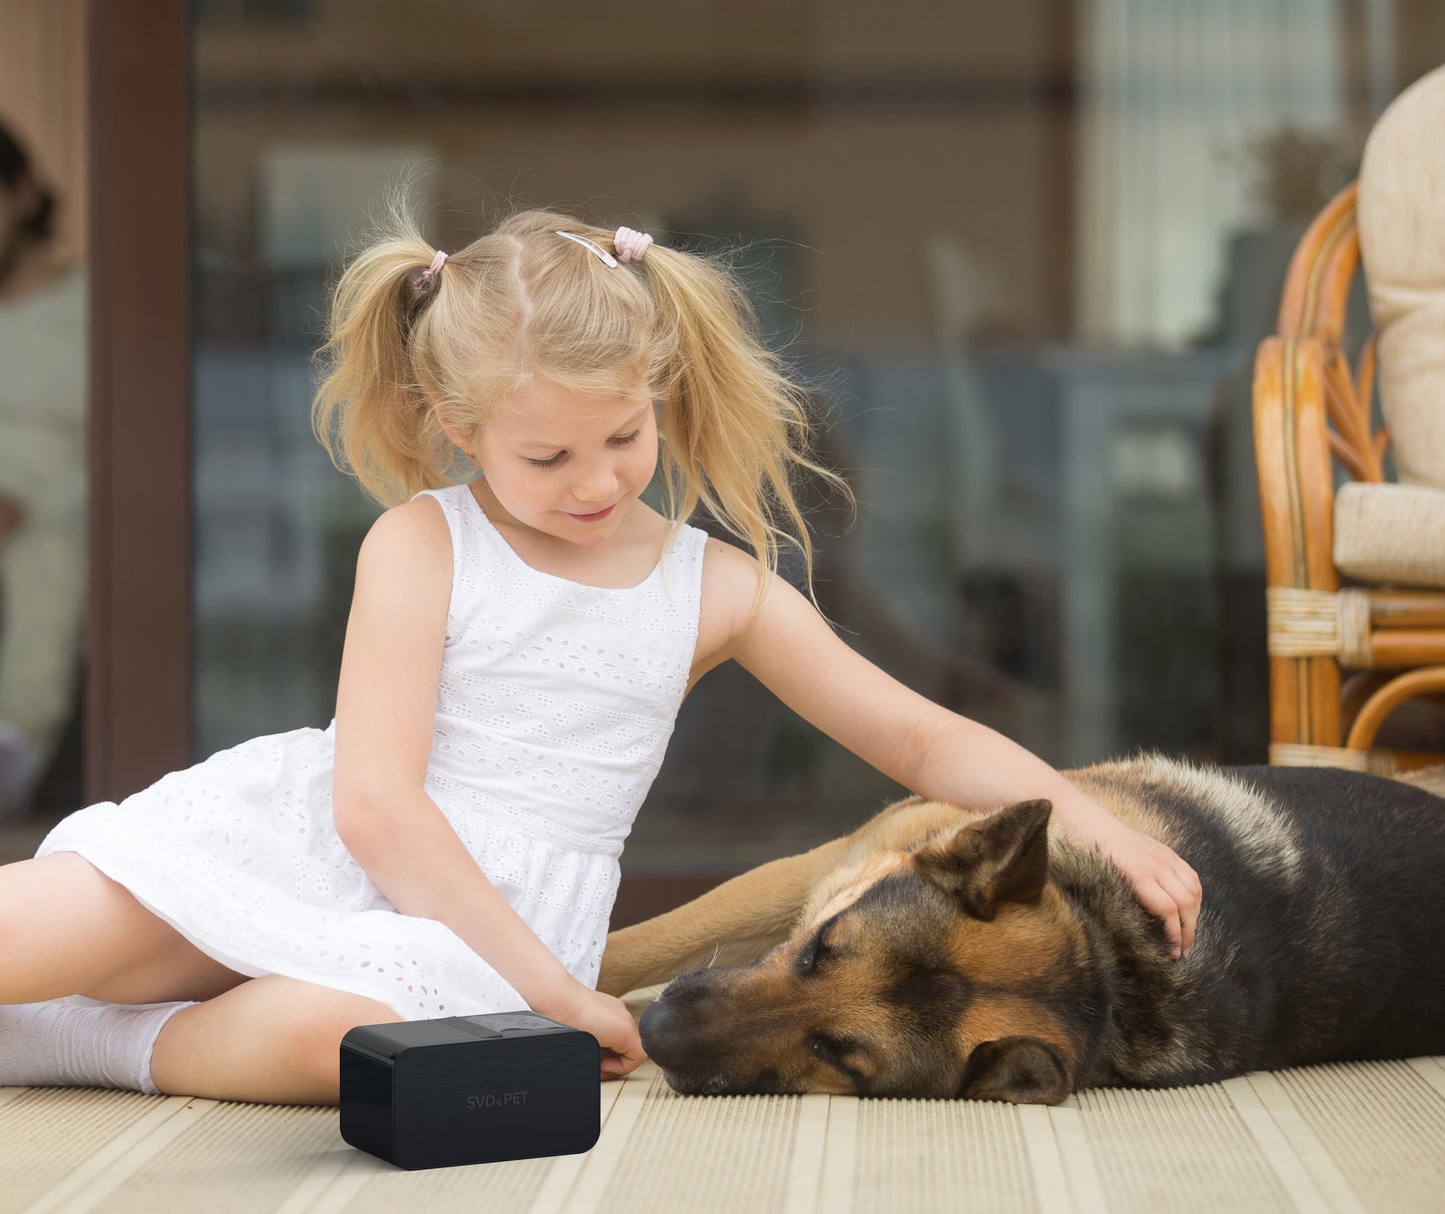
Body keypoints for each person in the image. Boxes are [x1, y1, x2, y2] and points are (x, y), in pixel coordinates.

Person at [0, 206, 1201, 1105]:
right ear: (459, 429)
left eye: (622, 438)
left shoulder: (715, 588)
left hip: (494, 929)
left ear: (659, 395)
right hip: (332, 843)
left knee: (347, 1047)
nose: (595, 482)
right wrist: (556, 994)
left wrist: (1092, 820)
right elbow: (373, 804)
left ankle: (61, 1041)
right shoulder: (423, 543)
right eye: (545, 459)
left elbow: (922, 736)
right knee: (70, 925)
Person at [0, 119, 86, 818]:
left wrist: (29, 502)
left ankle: (13, 747)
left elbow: (125, 452)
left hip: (49, 511)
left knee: (48, 557)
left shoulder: (91, 309)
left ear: (22, 194)